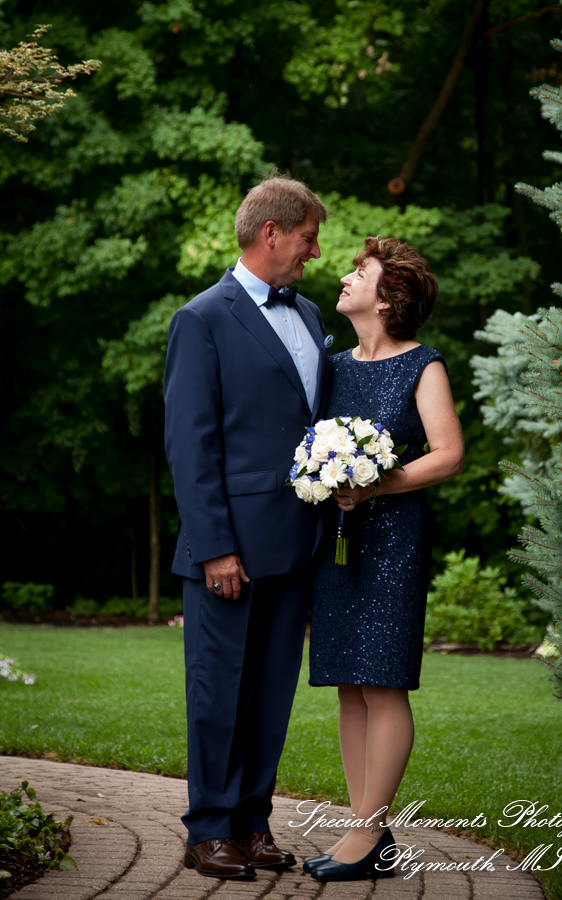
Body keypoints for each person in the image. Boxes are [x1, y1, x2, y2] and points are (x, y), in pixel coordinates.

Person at [164, 173, 331, 880]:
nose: (313, 255)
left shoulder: (313, 315)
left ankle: (252, 822)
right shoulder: (200, 318)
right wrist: (216, 547)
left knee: (269, 690)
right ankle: (208, 830)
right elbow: (189, 442)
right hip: (228, 546)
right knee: (217, 689)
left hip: (298, 540)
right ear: (271, 234)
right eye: (307, 239)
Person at [304, 236, 464, 882]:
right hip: (338, 540)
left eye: (358, 272)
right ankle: (362, 830)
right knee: (347, 677)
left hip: (392, 538)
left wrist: (377, 483)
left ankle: (368, 835)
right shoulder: (333, 364)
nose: (344, 277)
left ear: (387, 296)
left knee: (382, 679)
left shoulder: (422, 365)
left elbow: (447, 453)